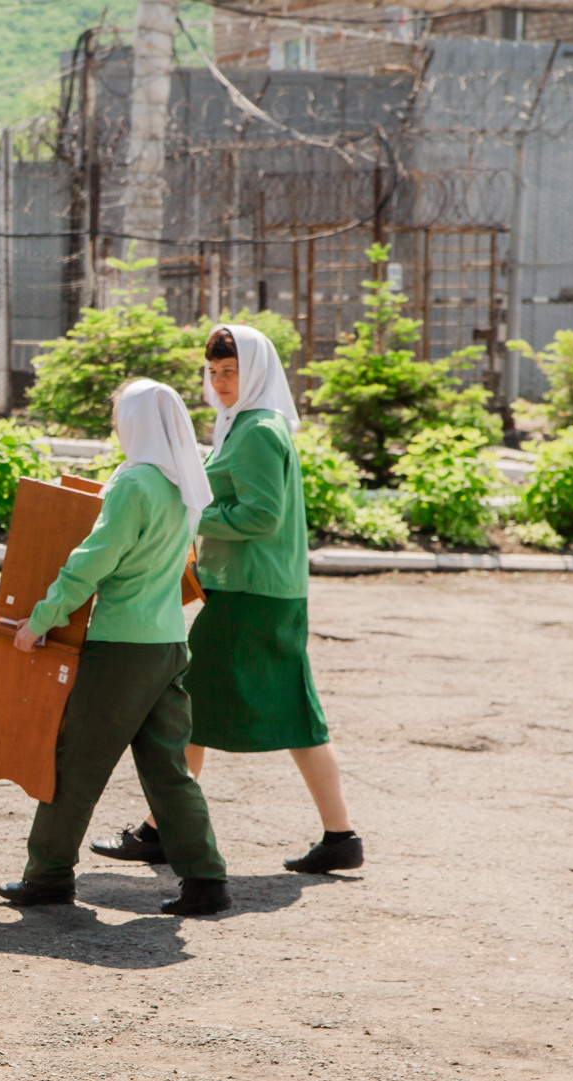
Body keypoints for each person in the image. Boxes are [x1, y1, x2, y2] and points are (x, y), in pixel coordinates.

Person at [93, 324, 363, 875]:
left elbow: (263, 515)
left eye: (229, 371)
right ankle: (339, 836)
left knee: (187, 702)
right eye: (213, 372)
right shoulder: (245, 423)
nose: (218, 382)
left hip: (252, 591)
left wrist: (192, 513)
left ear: (255, 372)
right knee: (285, 714)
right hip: (256, 589)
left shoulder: (260, 429)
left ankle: (163, 830)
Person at [0, 379, 231, 916]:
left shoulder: (135, 483)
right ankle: (205, 879)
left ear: (136, 423)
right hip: (168, 641)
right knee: (168, 768)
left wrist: (42, 619)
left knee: (75, 763)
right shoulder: (180, 483)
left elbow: (92, 561)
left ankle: (49, 874)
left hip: (121, 647)